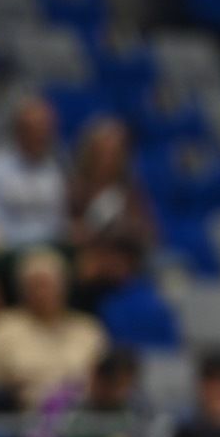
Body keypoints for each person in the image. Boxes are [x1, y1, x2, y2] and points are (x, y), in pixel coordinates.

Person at [0, 246, 107, 409]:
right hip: (16, 419)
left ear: (64, 286)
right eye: (35, 285)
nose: (41, 292)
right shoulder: (2, 326)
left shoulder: (87, 329)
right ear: (22, 289)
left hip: (81, 418)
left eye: (47, 284)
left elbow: (104, 381)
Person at [21, 347, 140, 437]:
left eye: (126, 387)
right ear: (96, 375)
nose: (120, 395)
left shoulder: (128, 410)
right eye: (115, 385)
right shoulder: (60, 404)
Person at [67, 117, 156, 305]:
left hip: (123, 263)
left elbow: (146, 232)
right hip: (85, 264)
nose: (107, 159)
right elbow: (70, 232)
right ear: (90, 154)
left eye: (114, 153)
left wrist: (112, 244)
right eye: (102, 153)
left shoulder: (129, 193)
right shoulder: (76, 189)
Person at [0, 96, 67, 251]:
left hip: (48, 250)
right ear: (18, 130)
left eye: (45, 129)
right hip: (6, 249)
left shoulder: (54, 170)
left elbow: (58, 221)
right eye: (33, 129)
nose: (40, 135)